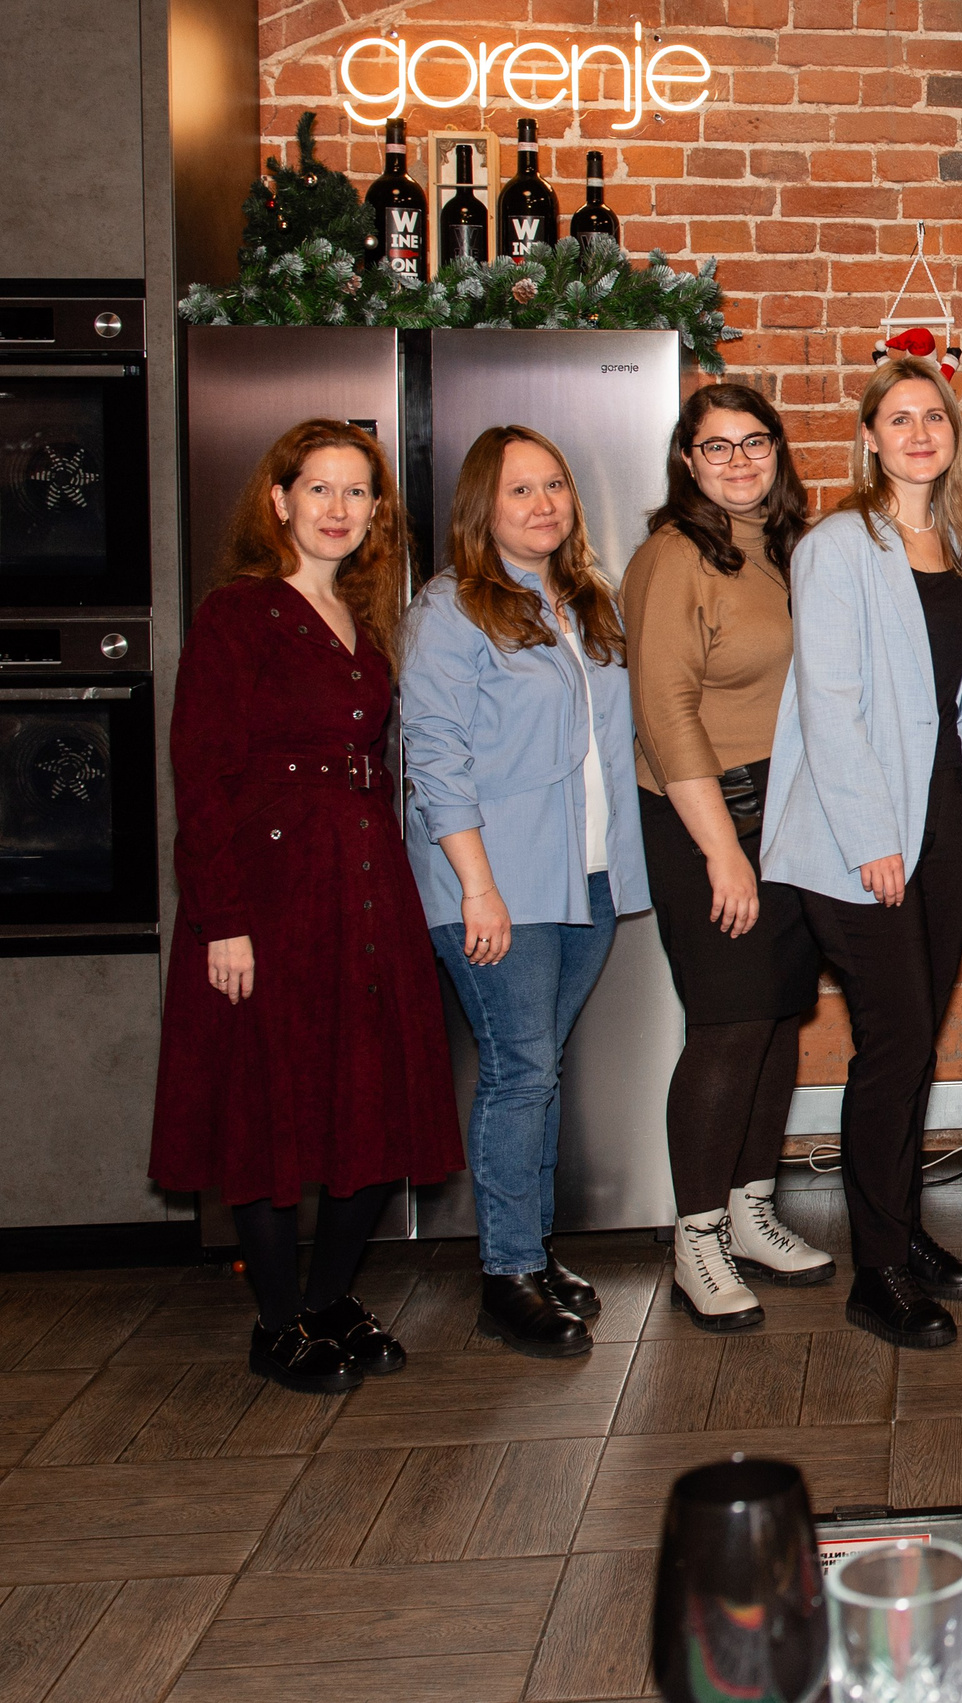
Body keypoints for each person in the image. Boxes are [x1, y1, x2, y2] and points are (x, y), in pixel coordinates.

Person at [151, 420, 461, 1393]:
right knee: (267, 1107)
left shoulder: (365, 626)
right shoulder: (237, 617)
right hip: (269, 897)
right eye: (318, 488)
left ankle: (330, 1298)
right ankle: (278, 1321)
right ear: (279, 500)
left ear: (375, 513)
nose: (337, 508)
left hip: (366, 887)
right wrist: (222, 916)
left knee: (374, 1097)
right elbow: (200, 776)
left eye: (356, 492)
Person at [761, 355, 962, 1350]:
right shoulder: (838, 545)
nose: (917, 433)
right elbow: (831, 701)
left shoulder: (958, 545)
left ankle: (899, 1227)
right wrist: (869, 841)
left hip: (948, 830)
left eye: (932, 416)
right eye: (898, 419)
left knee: (912, 1042)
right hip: (864, 840)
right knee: (892, 1043)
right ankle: (877, 1271)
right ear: (868, 436)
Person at [403, 424, 649, 1359]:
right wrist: (477, 887)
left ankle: (535, 1253)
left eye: (556, 486)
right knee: (519, 1070)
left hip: (581, 876)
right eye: (520, 491)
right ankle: (505, 1272)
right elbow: (434, 757)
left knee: (538, 1068)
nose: (544, 504)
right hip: (497, 883)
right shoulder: (452, 610)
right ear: (482, 507)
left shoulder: (584, 602)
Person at [624, 383, 834, 1331]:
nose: (741, 462)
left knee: (777, 1018)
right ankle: (696, 1233)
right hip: (707, 816)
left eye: (756, 443)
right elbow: (665, 713)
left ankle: (751, 1209)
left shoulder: (785, 549)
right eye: (718, 448)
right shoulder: (673, 557)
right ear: (687, 461)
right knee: (726, 1023)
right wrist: (722, 853)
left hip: (787, 814)